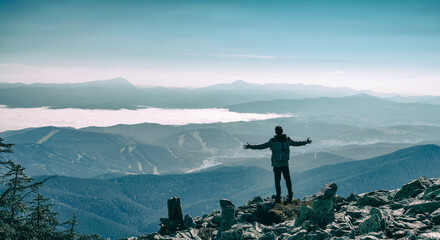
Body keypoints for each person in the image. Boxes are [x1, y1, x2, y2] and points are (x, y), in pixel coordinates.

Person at [243, 125, 312, 203]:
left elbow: (262, 146)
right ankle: (290, 196)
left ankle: (278, 198)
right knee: (288, 180)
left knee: (277, 181)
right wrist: (306, 142)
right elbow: (296, 143)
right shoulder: (287, 140)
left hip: (276, 165)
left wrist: (250, 146)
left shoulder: (273, 141)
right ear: (282, 132)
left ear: (275, 132)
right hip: (285, 164)